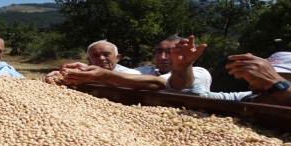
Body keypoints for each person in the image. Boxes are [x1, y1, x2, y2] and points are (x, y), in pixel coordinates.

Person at [166, 35, 291, 114]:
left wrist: (275, 84)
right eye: (258, 76)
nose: (253, 85)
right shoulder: (248, 98)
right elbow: (196, 98)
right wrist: (182, 67)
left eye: (268, 77)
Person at [55, 36, 212, 91]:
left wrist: (99, 75)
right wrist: (75, 74)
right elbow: (118, 79)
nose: (163, 57)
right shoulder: (146, 70)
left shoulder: (200, 72)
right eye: (159, 52)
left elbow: (163, 84)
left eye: (171, 53)